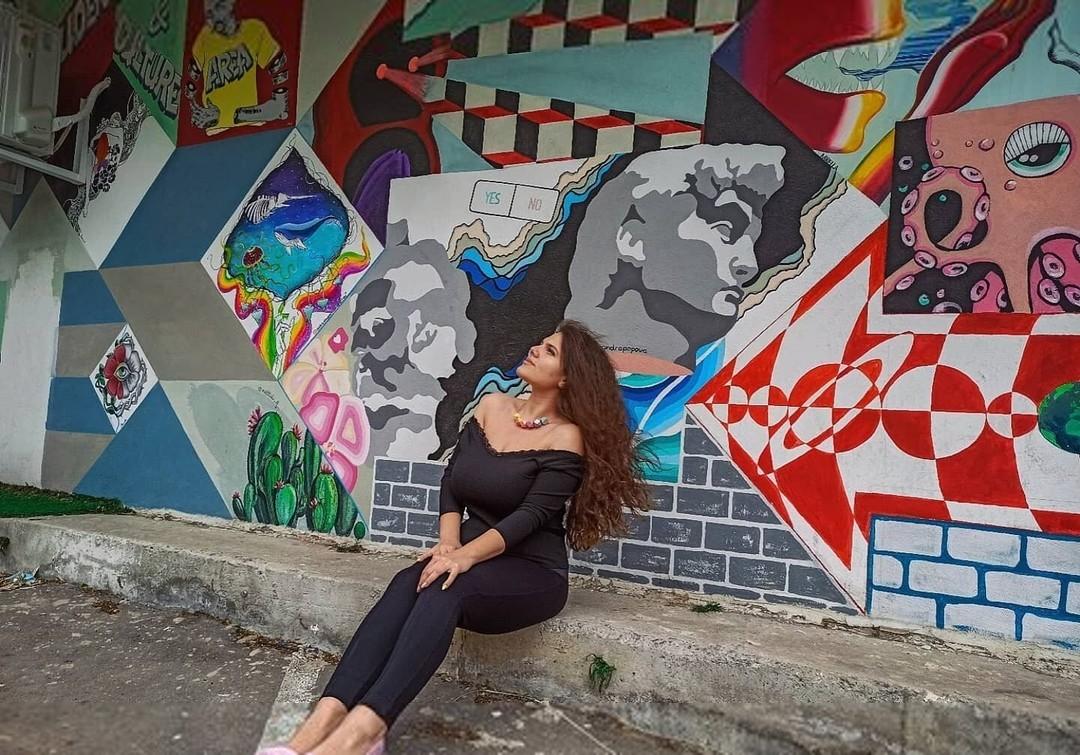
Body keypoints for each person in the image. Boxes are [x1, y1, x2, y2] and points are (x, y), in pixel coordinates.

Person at [258, 320, 652, 755]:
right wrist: (449, 544)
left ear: (565, 379)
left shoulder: (565, 438)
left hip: (532, 572)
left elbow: (531, 517)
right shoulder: (492, 406)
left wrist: (464, 558)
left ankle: (363, 733)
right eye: (540, 343)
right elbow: (452, 480)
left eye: (550, 351)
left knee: (446, 586)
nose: (536, 349)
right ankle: (316, 728)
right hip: (470, 555)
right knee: (408, 581)